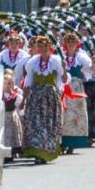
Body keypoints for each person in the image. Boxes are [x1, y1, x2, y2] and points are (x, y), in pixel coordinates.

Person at [19, 34, 68, 163]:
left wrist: (64, 68)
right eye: (40, 47)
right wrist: (23, 100)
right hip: (36, 97)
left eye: (46, 47)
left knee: (48, 124)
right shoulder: (33, 62)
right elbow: (28, 82)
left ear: (50, 47)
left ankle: (46, 152)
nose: (43, 49)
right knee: (35, 124)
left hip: (50, 98)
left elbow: (63, 80)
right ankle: (37, 153)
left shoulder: (56, 61)